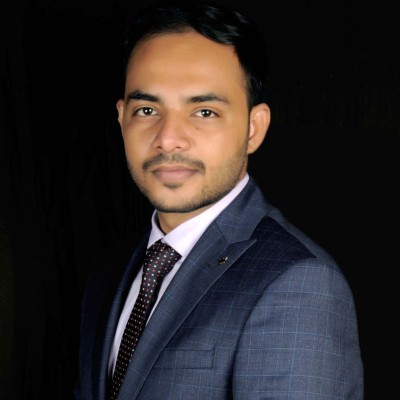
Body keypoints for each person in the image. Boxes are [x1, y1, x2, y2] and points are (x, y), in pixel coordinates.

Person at [74, 0, 364, 398]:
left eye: (204, 112)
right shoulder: (110, 272)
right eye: (147, 109)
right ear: (122, 119)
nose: (168, 139)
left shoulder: (298, 283)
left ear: (253, 129)